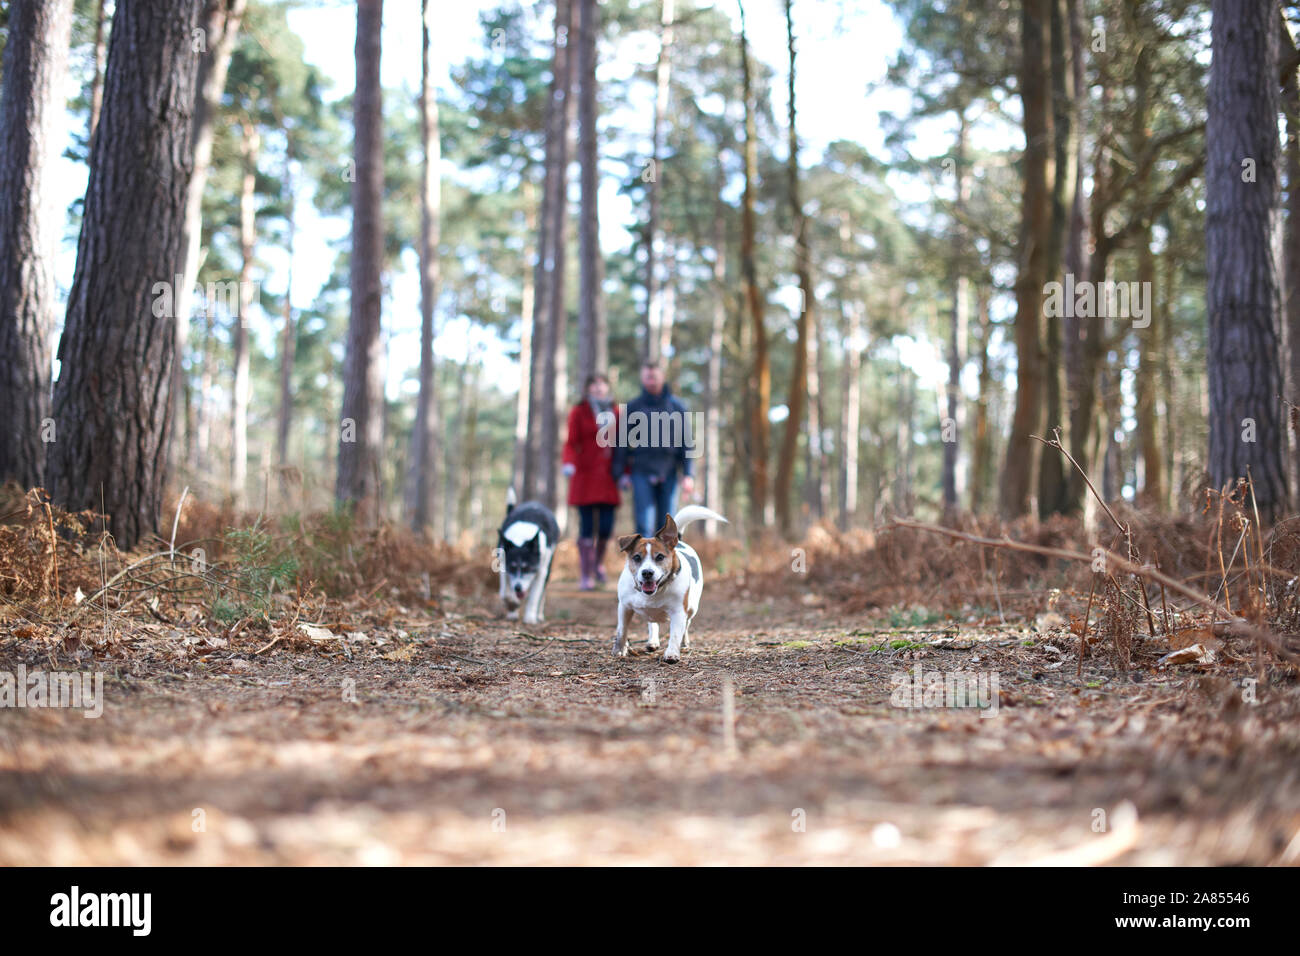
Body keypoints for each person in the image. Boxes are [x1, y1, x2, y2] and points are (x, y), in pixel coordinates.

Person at [613, 362, 695, 538]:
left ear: (662, 377)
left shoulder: (678, 407)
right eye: (647, 377)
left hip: (669, 472)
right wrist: (621, 473)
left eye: (654, 377)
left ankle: (668, 564)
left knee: (667, 527)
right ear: (642, 379)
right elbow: (621, 443)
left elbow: (687, 443)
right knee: (644, 525)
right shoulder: (633, 407)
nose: (651, 381)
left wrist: (688, 474)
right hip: (641, 471)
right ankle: (644, 564)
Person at [562, 374, 621, 589]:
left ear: (607, 387)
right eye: (593, 385)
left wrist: (625, 472)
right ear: (587, 389)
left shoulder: (616, 412)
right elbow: (571, 442)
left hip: (608, 478)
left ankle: (597, 564)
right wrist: (569, 463)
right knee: (586, 527)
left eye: (602, 384)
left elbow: (622, 446)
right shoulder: (579, 411)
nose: (598, 388)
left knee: (605, 527)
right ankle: (585, 573)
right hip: (585, 477)